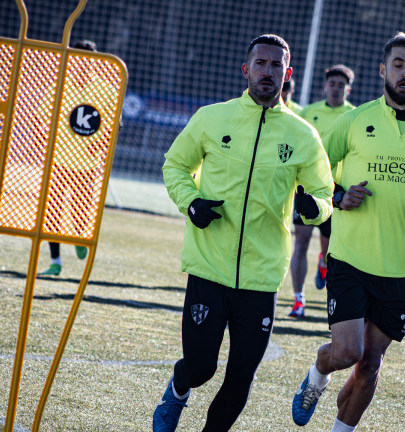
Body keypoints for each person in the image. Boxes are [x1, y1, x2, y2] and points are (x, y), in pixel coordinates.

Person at [154, 34, 333, 432]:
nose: (267, 71)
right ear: (246, 69)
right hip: (208, 267)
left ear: (288, 75)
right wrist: (193, 203)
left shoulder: (303, 135)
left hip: (261, 276)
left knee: (239, 380)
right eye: (261, 63)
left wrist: (315, 208)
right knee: (201, 368)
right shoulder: (211, 117)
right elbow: (175, 166)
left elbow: (324, 193)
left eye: (276, 66)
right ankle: (179, 389)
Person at [291, 33, 405, 431]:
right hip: (349, 257)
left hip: (400, 267)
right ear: (383, 69)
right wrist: (336, 196)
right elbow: (312, 173)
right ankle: (319, 370)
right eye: (399, 65)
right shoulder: (353, 120)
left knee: (370, 364)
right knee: (348, 352)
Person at [289, 64, 356, 318]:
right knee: (300, 242)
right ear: (325, 86)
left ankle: (324, 261)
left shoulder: (353, 116)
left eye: (341, 85)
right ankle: (298, 300)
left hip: (333, 192)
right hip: (306, 188)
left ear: (348, 89)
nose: (336, 89)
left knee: (330, 249)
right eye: (333, 84)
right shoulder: (309, 112)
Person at [39, 39, 99, 276]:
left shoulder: (104, 89)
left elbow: (117, 123)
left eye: (88, 60)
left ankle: (79, 237)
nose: (83, 64)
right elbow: (42, 119)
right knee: (50, 213)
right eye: (78, 59)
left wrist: (102, 143)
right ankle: (55, 263)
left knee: (80, 217)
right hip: (59, 163)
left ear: (96, 63)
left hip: (87, 167)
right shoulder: (59, 87)